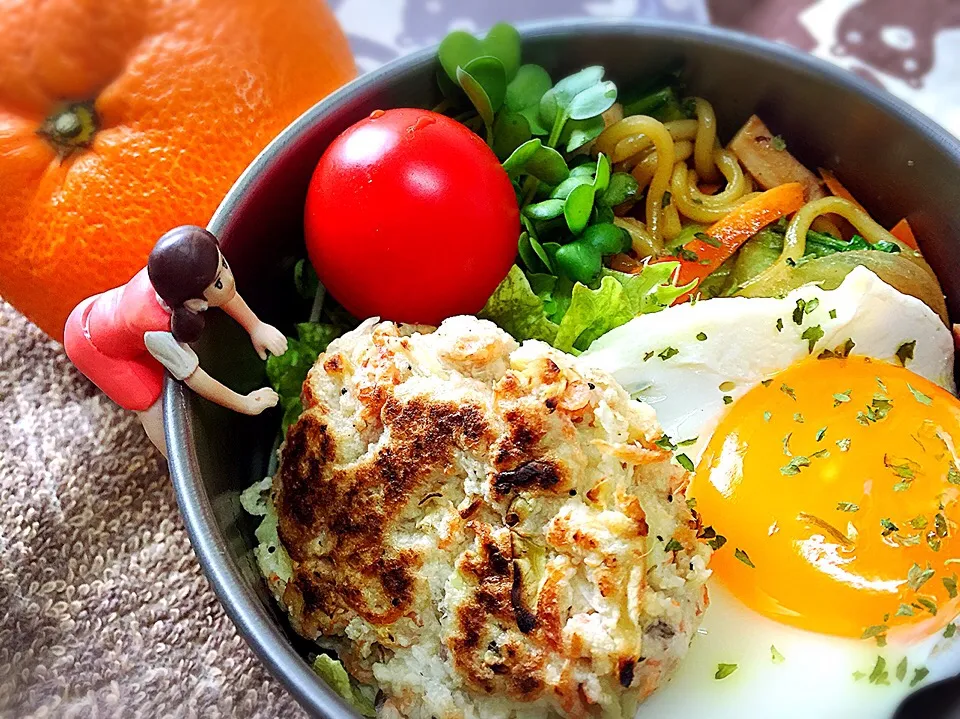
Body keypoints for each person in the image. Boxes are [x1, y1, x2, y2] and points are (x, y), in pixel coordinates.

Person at [64, 225, 288, 456]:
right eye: (218, 282)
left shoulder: (179, 276)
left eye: (224, 265)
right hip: (92, 346)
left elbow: (222, 294)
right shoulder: (156, 329)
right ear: (191, 302)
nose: (229, 279)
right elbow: (195, 378)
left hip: (105, 314)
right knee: (151, 399)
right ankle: (173, 457)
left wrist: (255, 327)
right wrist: (245, 404)